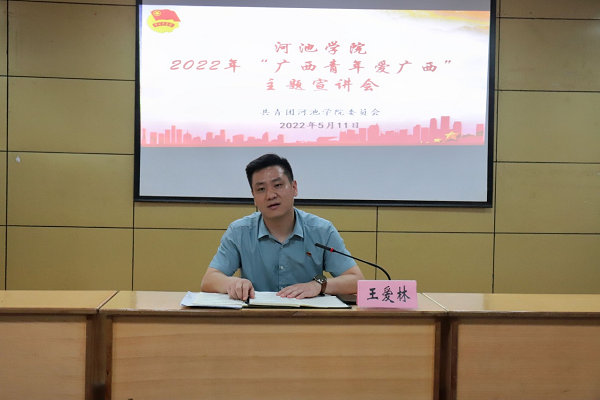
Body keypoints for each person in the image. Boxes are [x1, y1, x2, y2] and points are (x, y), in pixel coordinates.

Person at [200, 153, 364, 301]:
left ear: (294, 188)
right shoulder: (239, 232)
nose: (270, 195)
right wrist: (232, 283)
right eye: (261, 189)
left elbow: (356, 281)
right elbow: (209, 280)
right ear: (254, 197)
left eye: (277, 185)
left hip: (307, 319)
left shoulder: (321, 231)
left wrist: (318, 285)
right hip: (256, 319)